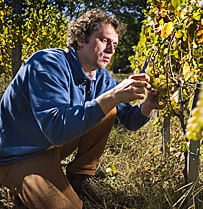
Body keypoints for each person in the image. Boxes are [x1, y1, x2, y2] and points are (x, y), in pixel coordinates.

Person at [0, 9, 162, 209]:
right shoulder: (47, 63)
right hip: (19, 154)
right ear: (80, 38)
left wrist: (147, 106)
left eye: (115, 44)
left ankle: (80, 177)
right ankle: (22, 188)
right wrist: (112, 96)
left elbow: (129, 120)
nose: (111, 50)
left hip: (51, 144)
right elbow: (56, 130)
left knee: (108, 108)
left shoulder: (100, 77)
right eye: (104, 40)